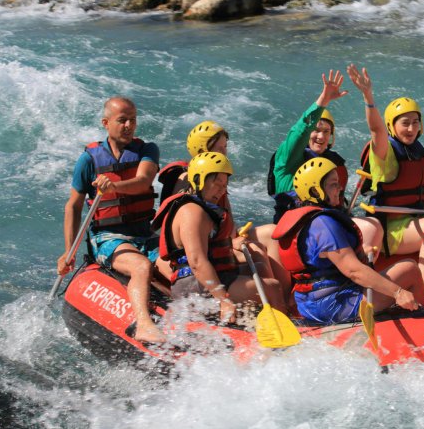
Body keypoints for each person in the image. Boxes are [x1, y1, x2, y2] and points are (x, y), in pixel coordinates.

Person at [57, 96, 164, 343]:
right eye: (122, 120)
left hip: (144, 234)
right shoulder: (89, 160)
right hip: (108, 237)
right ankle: (144, 325)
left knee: (178, 268)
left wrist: (114, 187)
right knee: (141, 267)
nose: (129, 125)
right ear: (106, 123)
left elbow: (144, 181)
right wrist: (68, 251)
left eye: (133, 120)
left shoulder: (147, 150)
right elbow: (73, 206)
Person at [273, 157, 422, 325]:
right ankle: (423, 324)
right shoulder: (323, 223)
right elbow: (353, 272)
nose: (340, 188)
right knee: (410, 269)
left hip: (308, 306)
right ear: (316, 191)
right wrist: (398, 292)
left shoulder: (307, 220)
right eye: (333, 184)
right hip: (333, 306)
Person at [155, 120, 291, 297]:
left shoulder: (217, 178)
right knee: (257, 252)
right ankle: (270, 299)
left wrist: (235, 237)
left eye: (225, 147)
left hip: (217, 239)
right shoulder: (191, 183)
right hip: (193, 249)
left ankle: (287, 301)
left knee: (272, 234)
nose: (225, 152)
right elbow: (190, 233)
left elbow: (227, 222)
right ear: (203, 152)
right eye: (219, 148)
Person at [152, 152, 287, 323]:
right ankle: (285, 328)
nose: (222, 189)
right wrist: (223, 300)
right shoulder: (192, 212)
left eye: (225, 185)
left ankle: (256, 319)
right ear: (199, 180)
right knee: (272, 288)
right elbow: (197, 261)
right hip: (194, 285)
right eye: (217, 183)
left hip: (212, 277)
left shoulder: (204, 208)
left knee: (260, 266)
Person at [346, 64, 424, 288]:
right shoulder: (385, 154)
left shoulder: (417, 151)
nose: (411, 128)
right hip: (391, 232)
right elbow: (376, 130)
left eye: (415, 122)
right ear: (391, 126)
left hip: (411, 220)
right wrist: (368, 95)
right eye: (405, 123)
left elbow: (419, 200)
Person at [267, 70, 349, 222]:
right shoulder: (287, 159)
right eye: (316, 130)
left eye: (326, 131)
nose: (321, 136)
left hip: (325, 223)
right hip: (294, 229)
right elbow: (300, 131)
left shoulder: (331, 164)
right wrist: (324, 99)